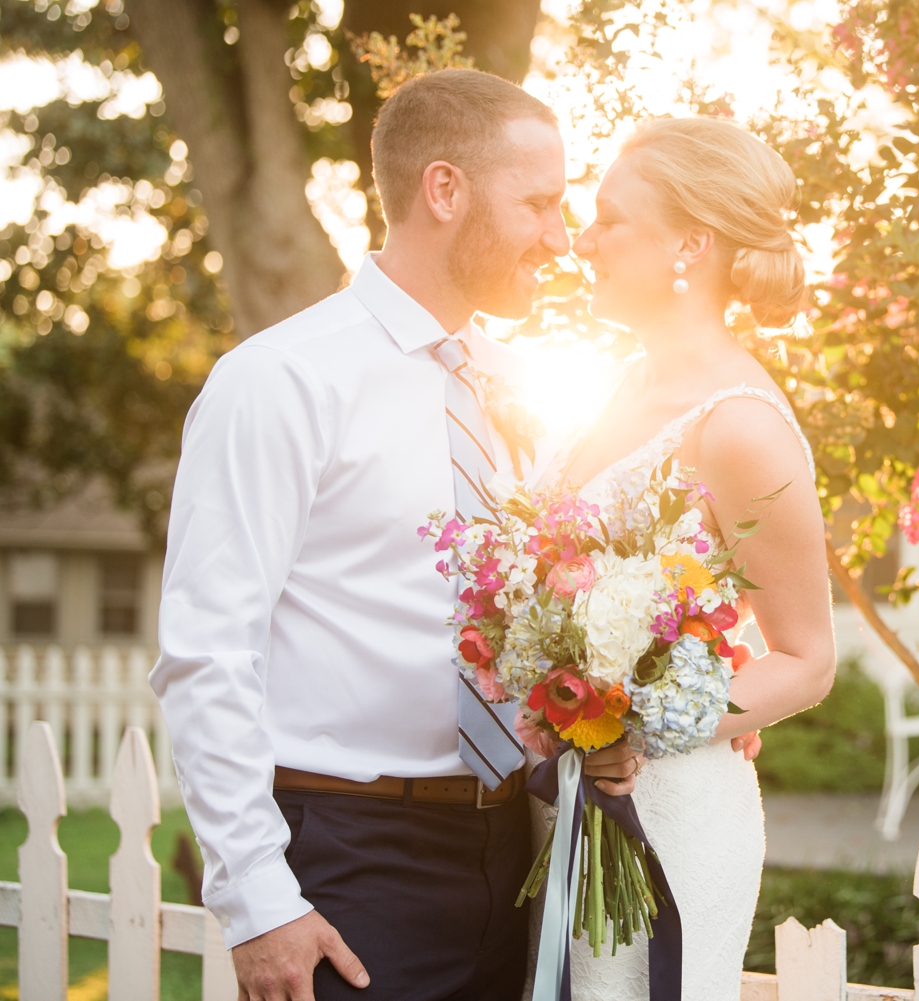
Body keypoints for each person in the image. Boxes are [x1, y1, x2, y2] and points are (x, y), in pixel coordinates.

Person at [150, 69, 663, 1001]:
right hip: (349, 861)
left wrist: (636, 708)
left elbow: (549, 608)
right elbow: (207, 653)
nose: (560, 237)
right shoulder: (277, 382)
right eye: (540, 204)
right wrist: (261, 901)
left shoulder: (526, 392)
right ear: (444, 189)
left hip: (516, 852)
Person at [539, 116, 838, 1001]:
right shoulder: (624, 383)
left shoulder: (738, 423)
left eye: (609, 219)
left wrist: (638, 724)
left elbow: (808, 657)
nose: (583, 241)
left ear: (692, 244)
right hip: (575, 801)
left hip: (663, 811)